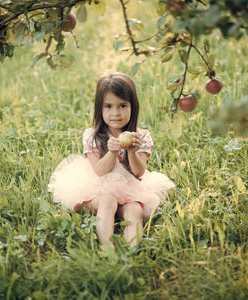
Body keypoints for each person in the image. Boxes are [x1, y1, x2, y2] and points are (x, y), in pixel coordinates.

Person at [48, 71, 175, 248]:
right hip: (97, 189)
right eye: (108, 106)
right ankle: (108, 249)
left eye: (123, 105)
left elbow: (139, 172)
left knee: (135, 209)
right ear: (100, 109)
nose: (116, 113)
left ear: (133, 107)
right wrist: (112, 152)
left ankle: (130, 251)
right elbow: (99, 171)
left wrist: (132, 151)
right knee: (108, 201)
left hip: (130, 189)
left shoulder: (141, 136)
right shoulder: (93, 136)